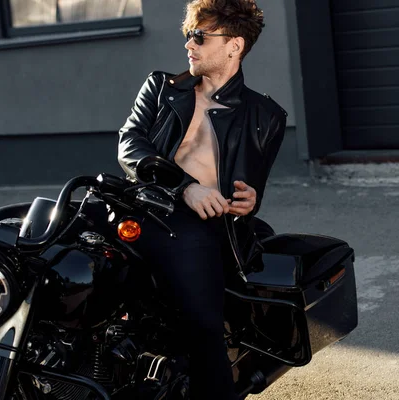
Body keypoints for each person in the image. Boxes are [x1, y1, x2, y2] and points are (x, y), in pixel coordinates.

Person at [117, 0, 287, 398]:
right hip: (138, 205)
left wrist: (249, 201)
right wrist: (185, 186)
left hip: (196, 227)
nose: (188, 45)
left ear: (235, 46)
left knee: (204, 326)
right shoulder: (161, 88)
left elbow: (248, 189)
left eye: (200, 36)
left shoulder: (265, 116)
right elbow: (131, 144)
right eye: (188, 35)